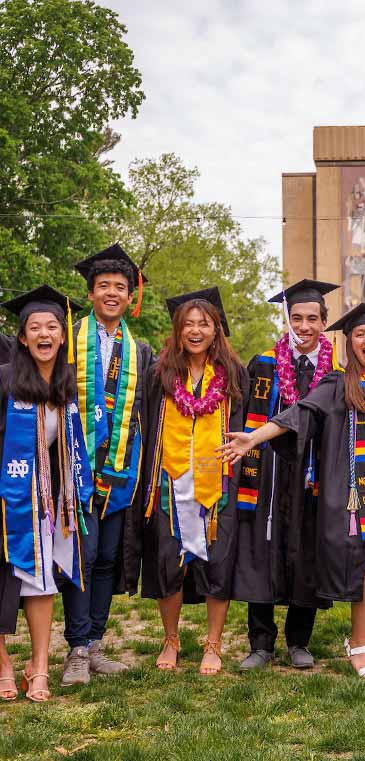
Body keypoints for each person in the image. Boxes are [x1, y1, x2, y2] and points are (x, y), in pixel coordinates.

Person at [220, 299, 365, 678]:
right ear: (350, 343)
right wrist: (253, 438)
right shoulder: (338, 383)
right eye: (359, 334)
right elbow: (299, 414)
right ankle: (357, 641)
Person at [138, 287, 246, 676]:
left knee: (218, 563)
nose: (196, 331)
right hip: (169, 483)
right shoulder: (161, 374)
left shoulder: (234, 375)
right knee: (168, 560)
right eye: (189, 324)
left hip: (217, 485)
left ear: (217, 331)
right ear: (178, 330)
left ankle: (213, 644)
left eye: (204, 324)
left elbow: (242, 428)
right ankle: (171, 639)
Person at [233, 279, 339, 671]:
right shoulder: (263, 364)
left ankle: (299, 641)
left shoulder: (335, 372)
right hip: (269, 475)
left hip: (311, 476)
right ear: (287, 320)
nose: (305, 326)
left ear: (324, 323)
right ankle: (260, 643)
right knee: (261, 551)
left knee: (305, 553)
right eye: (298, 318)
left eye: (313, 318)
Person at [61, 244, 153, 687]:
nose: (112, 293)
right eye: (104, 287)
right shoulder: (66, 339)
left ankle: (94, 644)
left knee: (107, 559)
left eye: (120, 286)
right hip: (74, 466)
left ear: (130, 294)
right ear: (92, 293)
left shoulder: (141, 350)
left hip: (120, 470)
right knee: (84, 554)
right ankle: (76, 648)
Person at [0, 286, 92, 702]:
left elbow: (66, 447)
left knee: (41, 582)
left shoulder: (65, 386)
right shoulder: (5, 382)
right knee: (2, 583)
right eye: (34, 327)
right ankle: (3, 664)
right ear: (22, 338)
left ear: (62, 336)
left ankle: (38, 668)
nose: (43, 333)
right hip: (5, 500)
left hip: (46, 500)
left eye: (52, 326)